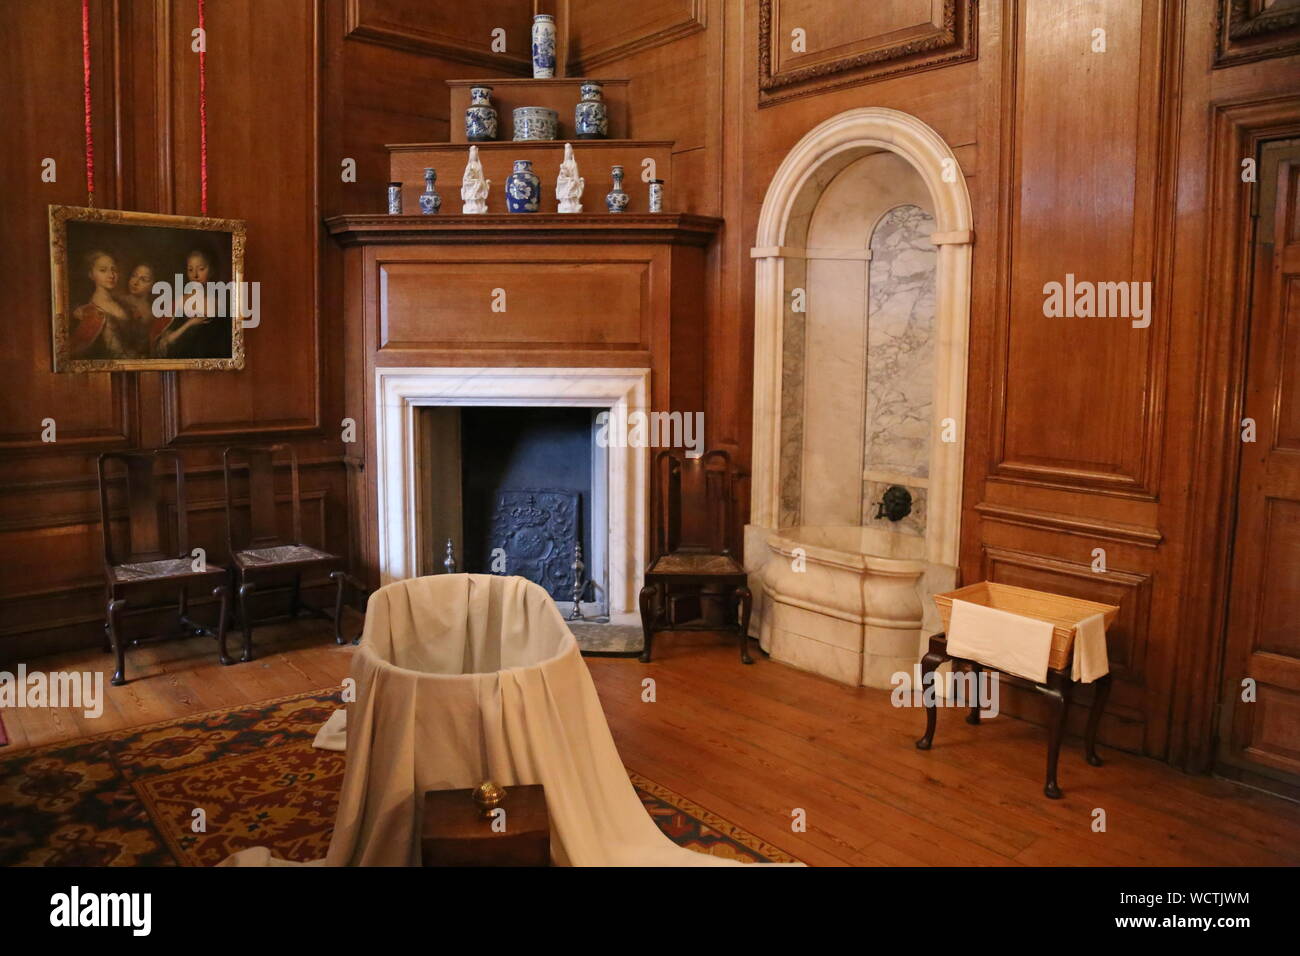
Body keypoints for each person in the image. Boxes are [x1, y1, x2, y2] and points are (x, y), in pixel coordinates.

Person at [153, 247, 232, 359]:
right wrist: (190, 324)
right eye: (190, 270)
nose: (195, 275)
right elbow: (167, 338)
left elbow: (224, 341)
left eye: (201, 269)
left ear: (212, 270)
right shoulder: (180, 301)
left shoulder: (220, 303)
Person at [68, 249, 142, 359]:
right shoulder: (92, 312)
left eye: (114, 270)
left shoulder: (124, 304)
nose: (111, 275)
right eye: (103, 270)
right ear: (91, 275)